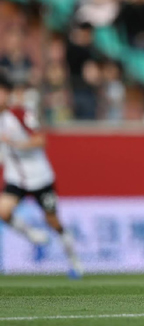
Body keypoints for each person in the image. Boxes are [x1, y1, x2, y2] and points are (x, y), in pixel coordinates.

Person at [0, 75, 83, 278]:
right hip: (16, 178)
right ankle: (32, 235)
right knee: (3, 211)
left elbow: (40, 140)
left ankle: (74, 261)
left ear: (7, 93)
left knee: (53, 221)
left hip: (40, 177)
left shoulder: (18, 114)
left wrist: (17, 144)